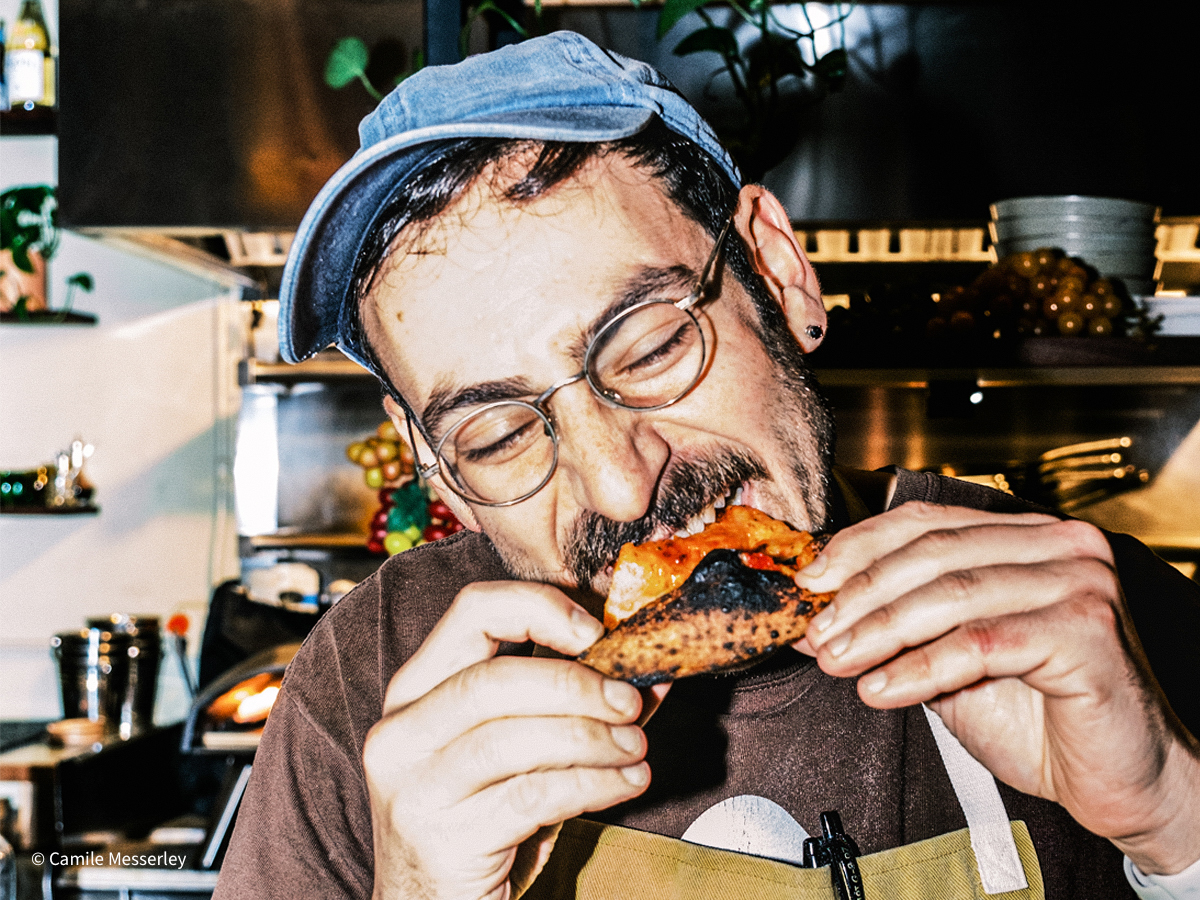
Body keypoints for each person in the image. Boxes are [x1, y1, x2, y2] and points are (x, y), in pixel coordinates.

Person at [215, 32, 1200, 900]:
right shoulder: (368, 681)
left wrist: (1176, 824)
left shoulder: (1097, 618)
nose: (617, 485)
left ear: (777, 275)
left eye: (646, 348)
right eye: (499, 434)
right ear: (436, 469)